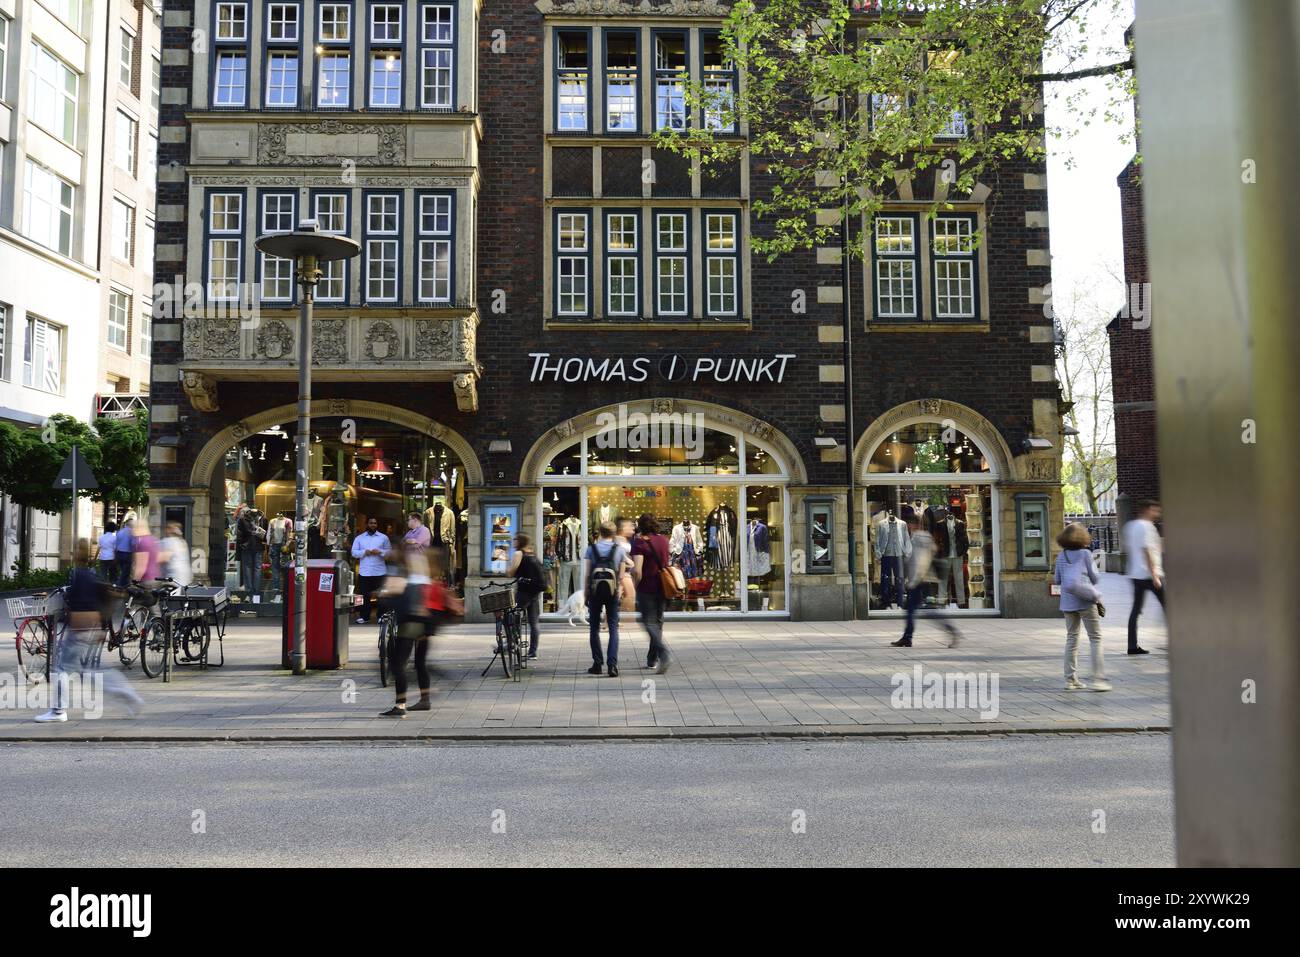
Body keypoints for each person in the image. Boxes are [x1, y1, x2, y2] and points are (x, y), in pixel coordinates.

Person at [36, 539, 143, 722]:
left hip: (78, 629)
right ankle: (125, 692)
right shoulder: (90, 575)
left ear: (78, 553)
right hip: (89, 629)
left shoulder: (79, 575)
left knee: (62, 669)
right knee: (86, 672)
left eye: (75, 548)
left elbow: (76, 602)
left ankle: (58, 711)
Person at [891, 513, 962, 649]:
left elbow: (921, 561)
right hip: (922, 580)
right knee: (915, 610)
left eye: (909, 524)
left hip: (919, 581)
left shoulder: (919, 538)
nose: (908, 526)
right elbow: (932, 552)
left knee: (926, 611)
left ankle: (950, 631)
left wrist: (913, 581)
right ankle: (907, 637)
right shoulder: (924, 538)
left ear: (914, 524)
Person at [1055, 523, 1110, 692]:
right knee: (1095, 638)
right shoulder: (1085, 554)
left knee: (1072, 638)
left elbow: (1057, 580)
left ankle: (1070, 680)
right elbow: (1095, 578)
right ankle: (1099, 680)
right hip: (1085, 601)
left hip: (1067, 603)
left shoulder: (1061, 556)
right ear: (1082, 538)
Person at [583, 521, 631, 677]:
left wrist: (586, 593)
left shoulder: (591, 549)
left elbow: (588, 574)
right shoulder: (619, 550)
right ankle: (612, 665)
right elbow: (622, 575)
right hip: (613, 593)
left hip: (595, 593)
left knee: (594, 628)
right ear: (614, 533)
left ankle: (597, 664)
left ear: (600, 532)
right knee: (613, 628)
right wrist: (620, 591)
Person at [630, 513, 672, 673]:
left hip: (647, 587)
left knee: (648, 622)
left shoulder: (639, 543)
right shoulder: (664, 540)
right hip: (663, 586)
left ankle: (663, 653)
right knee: (658, 622)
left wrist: (634, 587)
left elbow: (637, 571)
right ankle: (652, 659)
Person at [1123, 499, 1164, 655]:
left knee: (1136, 610)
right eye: (1155, 510)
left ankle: (1132, 646)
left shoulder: (1130, 526)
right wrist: (1155, 575)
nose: (1157, 513)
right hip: (1149, 575)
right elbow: (1146, 550)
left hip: (1135, 574)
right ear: (1147, 510)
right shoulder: (1146, 526)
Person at [508, 533, 546, 659]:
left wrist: (507, 571)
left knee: (512, 617)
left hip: (523, 592)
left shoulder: (518, 554)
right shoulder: (532, 553)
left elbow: (512, 571)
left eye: (515, 539)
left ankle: (512, 643)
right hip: (534, 593)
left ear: (519, 541)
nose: (513, 541)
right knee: (534, 623)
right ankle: (533, 652)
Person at [350, 516, 391, 624]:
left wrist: (380, 552)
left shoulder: (383, 538)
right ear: (367, 524)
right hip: (365, 572)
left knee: (382, 596)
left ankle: (381, 616)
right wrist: (364, 552)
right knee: (364, 596)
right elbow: (353, 552)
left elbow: (389, 553)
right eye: (371, 523)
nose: (373, 525)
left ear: (377, 525)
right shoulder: (359, 538)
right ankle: (364, 617)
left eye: (375, 523)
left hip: (380, 571)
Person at [235, 505, 263, 597]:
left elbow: (239, 536)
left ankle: (249, 592)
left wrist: (239, 547)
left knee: (247, 568)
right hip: (258, 546)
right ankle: (256, 592)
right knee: (257, 569)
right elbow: (265, 534)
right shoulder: (262, 518)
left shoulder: (242, 520)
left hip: (246, 546)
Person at [131, 517, 162, 587]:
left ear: (140, 528)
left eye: (134, 527)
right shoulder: (153, 539)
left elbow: (141, 567)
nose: (132, 530)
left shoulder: (143, 542)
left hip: (146, 580)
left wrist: (134, 582)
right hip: (155, 577)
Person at [160, 522, 193, 587]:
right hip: (184, 578)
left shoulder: (168, 541)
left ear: (168, 530)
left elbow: (163, 558)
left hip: (172, 578)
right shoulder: (182, 541)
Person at [267, 511, 291, 591]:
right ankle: (276, 587)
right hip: (274, 545)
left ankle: (286, 587)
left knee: (284, 566)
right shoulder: (272, 521)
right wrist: (268, 544)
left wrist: (287, 544)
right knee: (275, 567)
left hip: (283, 546)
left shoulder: (288, 521)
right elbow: (269, 533)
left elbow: (290, 533)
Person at [114, 513, 136, 588]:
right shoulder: (132, 532)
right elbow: (133, 544)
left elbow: (116, 544)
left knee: (123, 570)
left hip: (119, 553)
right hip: (127, 554)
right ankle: (119, 586)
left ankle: (124, 586)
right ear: (131, 525)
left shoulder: (119, 532)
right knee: (126, 572)